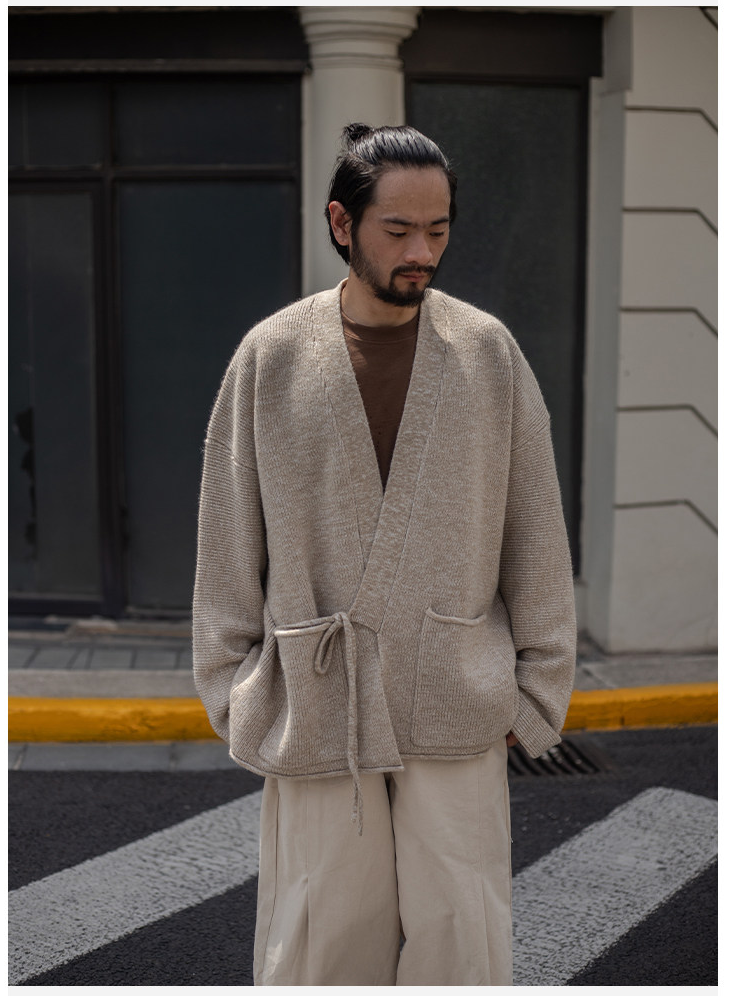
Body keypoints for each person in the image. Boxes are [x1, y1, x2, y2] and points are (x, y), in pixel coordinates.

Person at [193, 123, 577, 986]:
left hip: (457, 695)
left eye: (438, 230)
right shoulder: (272, 357)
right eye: (398, 230)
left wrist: (536, 687)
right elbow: (227, 535)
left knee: (463, 940)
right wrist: (234, 685)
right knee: (319, 944)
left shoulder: (486, 353)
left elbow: (535, 528)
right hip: (318, 701)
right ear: (342, 222)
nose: (421, 253)